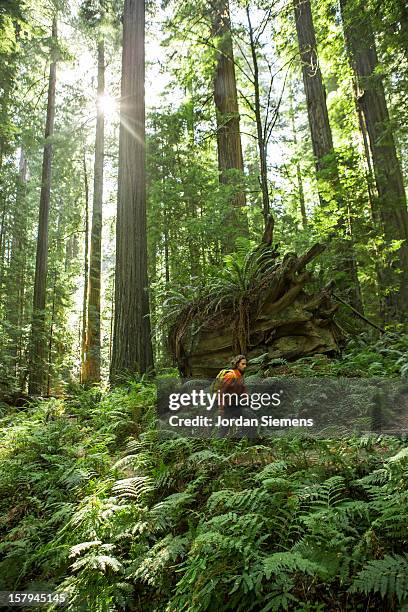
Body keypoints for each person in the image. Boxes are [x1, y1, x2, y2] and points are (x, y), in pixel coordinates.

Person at [218, 354, 247, 438]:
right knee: (224, 427)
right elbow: (221, 391)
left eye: (245, 364)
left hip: (236, 404)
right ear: (237, 364)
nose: (245, 366)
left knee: (244, 421)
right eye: (243, 364)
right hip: (228, 405)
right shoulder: (230, 375)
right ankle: (217, 445)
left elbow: (243, 388)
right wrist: (221, 408)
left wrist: (246, 397)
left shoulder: (240, 375)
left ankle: (242, 440)